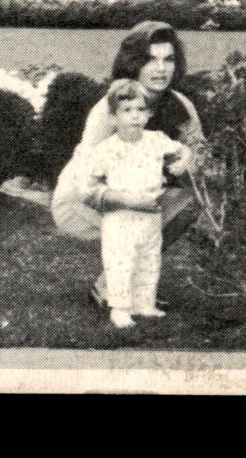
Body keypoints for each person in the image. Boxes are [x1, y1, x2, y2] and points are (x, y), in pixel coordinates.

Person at [51, 21, 206, 310]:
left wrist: (189, 160)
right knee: (141, 217)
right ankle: (116, 287)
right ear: (133, 64)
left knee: (192, 199)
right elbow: (85, 181)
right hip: (80, 201)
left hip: (134, 194)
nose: (161, 69)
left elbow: (201, 153)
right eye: (150, 60)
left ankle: (114, 286)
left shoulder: (181, 105)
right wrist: (129, 201)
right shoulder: (110, 108)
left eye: (168, 59)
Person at [86, 79, 192, 328]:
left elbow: (184, 150)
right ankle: (120, 308)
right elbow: (91, 185)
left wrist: (182, 162)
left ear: (149, 113)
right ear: (114, 117)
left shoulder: (156, 139)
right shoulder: (106, 149)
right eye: (127, 110)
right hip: (121, 217)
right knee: (121, 261)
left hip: (151, 214)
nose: (135, 116)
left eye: (140, 109)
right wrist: (123, 199)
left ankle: (145, 303)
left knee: (149, 259)